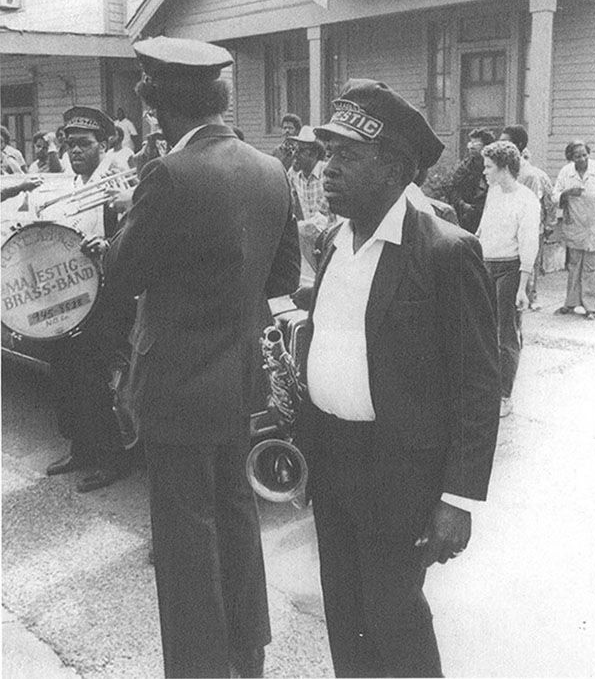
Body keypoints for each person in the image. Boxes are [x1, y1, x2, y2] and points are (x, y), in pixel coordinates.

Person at [104, 36, 300, 679]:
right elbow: (282, 279)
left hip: (176, 386)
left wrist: (123, 225)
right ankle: (249, 661)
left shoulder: (168, 175)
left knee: (186, 542)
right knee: (236, 522)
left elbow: (123, 273)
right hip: (237, 381)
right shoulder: (270, 169)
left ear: (159, 108)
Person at [294, 78, 499, 678]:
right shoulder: (335, 240)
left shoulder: (445, 252)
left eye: (346, 156)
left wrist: (457, 499)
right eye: (328, 153)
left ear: (394, 170)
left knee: (394, 619)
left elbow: (477, 387)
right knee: (346, 616)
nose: (327, 169)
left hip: (400, 473)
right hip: (332, 462)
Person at [45, 106, 134, 492]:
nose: (75, 150)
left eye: (84, 143)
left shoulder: (115, 185)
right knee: (66, 374)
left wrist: (107, 246)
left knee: (99, 381)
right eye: (70, 143)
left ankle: (112, 458)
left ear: (104, 145)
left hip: (107, 299)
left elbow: (133, 240)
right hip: (69, 299)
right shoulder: (68, 185)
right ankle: (80, 448)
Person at [477, 140, 540, 417]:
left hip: (510, 269)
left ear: (504, 168)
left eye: (489, 167)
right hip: (486, 265)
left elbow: (528, 243)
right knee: (485, 331)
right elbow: (483, 229)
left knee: (506, 334)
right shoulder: (493, 192)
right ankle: (490, 386)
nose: (484, 172)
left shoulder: (526, 199)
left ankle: (504, 395)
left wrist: (523, 287)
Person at [553, 140, 595, 319]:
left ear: (589, 153)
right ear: (570, 158)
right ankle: (571, 303)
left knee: (593, 267)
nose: (582, 159)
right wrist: (567, 193)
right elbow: (555, 195)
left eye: (584, 154)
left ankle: (590, 307)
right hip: (575, 224)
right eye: (577, 156)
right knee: (574, 265)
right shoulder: (566, 172)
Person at [499, 125, 556, 310]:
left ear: (520, 145)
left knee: (528, 265)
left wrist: (547, 226)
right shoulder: (504, 170)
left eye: (506, 142)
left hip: (527, 229)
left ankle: (527, 299)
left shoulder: (530, 175)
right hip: (508, 228)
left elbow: (534, 207)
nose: (501, 145)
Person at [287, 125, 334, 276]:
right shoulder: (294, 175)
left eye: (301, 151)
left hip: (332, 236)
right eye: (295, 149)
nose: (295, 154)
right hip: (311, 238)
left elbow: (323, 215)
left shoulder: (327, 171)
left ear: (314, 154)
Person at [449, 127, 495, 231]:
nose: (471, 147)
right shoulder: (465, 166)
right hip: (464, 217)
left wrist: (478, 209)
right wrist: (462, 205)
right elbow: (454, 188)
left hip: (486, 217)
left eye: (476, 144)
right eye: (471, 143)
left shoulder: (494, 168)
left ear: (486, 146)